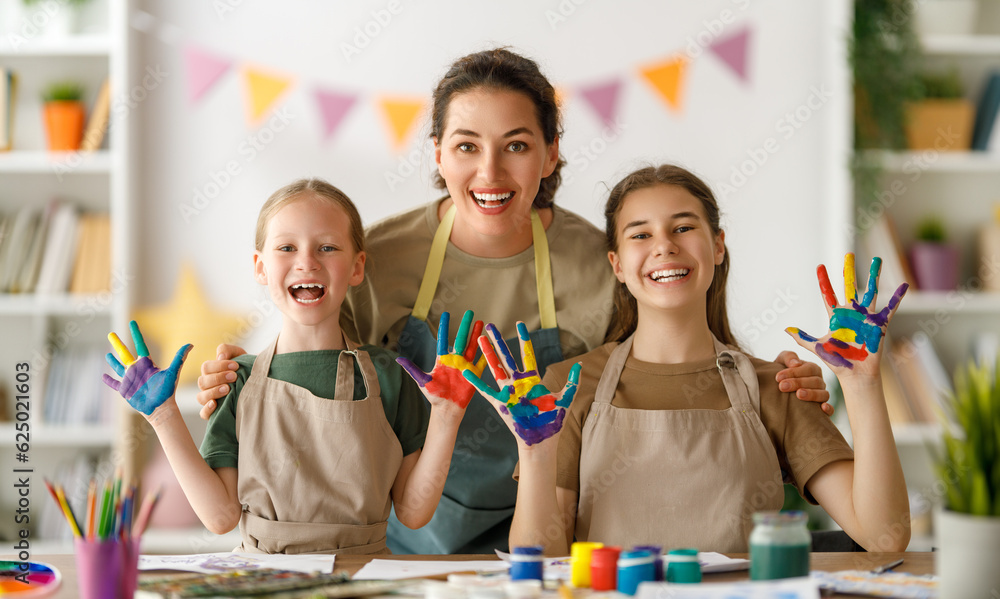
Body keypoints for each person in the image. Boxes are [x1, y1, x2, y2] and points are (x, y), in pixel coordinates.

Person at [193, 50, 832, 554]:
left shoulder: (603, 261)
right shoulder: (374, 260)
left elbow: (668, 365)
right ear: (438, 154)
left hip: (560, 530)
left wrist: (770, 387)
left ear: (551, 153)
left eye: (518, 145)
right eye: (467, 145)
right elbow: (326, 389)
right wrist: (241, 382)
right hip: (407, 539)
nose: (491, 174)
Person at [466, 164, 911, 553]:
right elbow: (541, 562)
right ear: (617, 265)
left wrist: (862, 384)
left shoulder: (776, 386)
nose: (664, 246)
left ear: (717, 247)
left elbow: (884, 537)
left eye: (683, 228)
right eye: (641, 234)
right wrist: (536, 454)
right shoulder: (567, 387)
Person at [102, 179, 476, 554]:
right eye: (287, 247)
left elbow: (413, 511)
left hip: (363, 576)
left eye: (327, 247)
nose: (307, 261)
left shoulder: (390, 375)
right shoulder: (237, 379)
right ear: (261, 267)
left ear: (357, 267)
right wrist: (163, 416)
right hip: (264, 581)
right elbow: (220, 517)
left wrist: (447, 416)